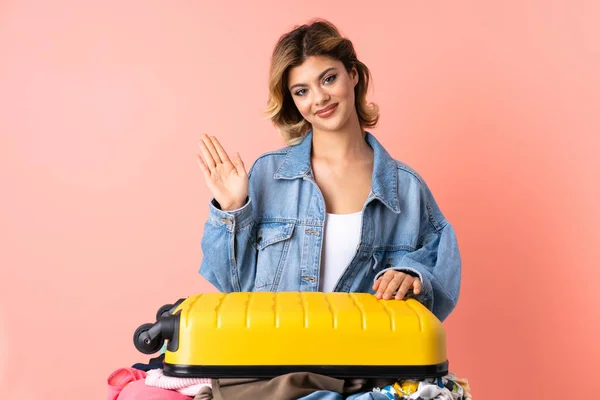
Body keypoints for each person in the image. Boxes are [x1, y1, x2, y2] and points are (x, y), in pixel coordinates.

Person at [195, 19, 461, 322]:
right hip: (275, 359)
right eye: (301, 91)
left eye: (328, 79)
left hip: (364, 362)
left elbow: (441, 278)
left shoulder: (406, 189)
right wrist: (232, 211)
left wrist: (413, 276)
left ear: (353, 75)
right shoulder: (268, 174)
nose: (319, 98)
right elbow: (233, 287)